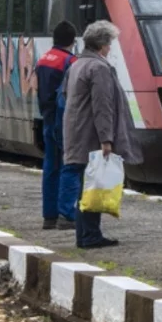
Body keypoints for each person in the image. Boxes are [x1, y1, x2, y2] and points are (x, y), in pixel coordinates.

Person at [62, 20, 135, 250]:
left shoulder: (77, 64)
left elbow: (65, 94)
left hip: (76, 131)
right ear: (102, 44)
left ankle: (85, 234)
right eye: (110, 42)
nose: (110, 47)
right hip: (91, 135)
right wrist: (106, 139)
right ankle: (89, 235)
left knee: (87, 185)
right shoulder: (99, 68)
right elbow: (102, 106)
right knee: (92, 186)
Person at [37, 22, 79, 230]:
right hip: (62, 119)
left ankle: (49, 215)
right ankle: (67, 212)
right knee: (68, 164)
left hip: (46, 117)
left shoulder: (44, 59)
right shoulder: (69, 61)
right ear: (73, 40)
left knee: (50, 166)